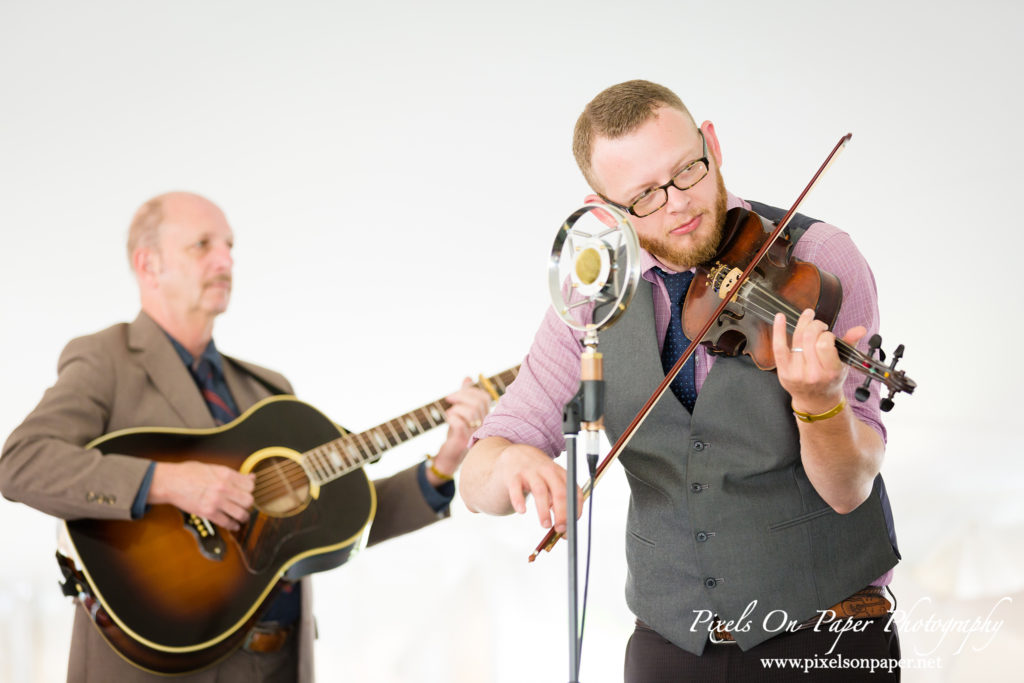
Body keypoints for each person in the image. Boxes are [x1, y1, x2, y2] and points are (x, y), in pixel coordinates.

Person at [459, 80, 901, 681]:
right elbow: (478, 476)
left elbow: (850, 488)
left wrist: (819, 404)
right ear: (605, 210)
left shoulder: (818, 260)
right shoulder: (592, 294)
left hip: (826, 634)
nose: (676, 204)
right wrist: (511, 466)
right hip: (669, 646)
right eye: (643, 196)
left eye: (687, 171)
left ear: (711, 144)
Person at [0, 191, 491, 683]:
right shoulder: (106, 359)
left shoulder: (271, 392)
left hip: (272, 666)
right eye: (202, 245)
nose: (226, 259)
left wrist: (442, 465)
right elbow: (21, 463)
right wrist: (168, 482)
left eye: (230, 245)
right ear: (148, 264)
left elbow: (334, 528)